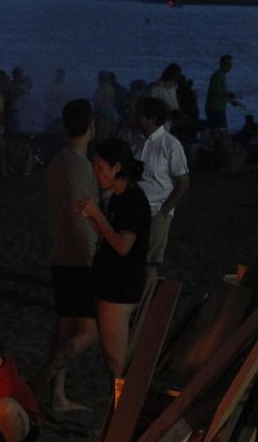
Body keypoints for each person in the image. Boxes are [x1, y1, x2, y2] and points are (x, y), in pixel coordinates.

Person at [34, 98, 98, 415]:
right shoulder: (79, 165)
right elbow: (78, 217)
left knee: (64, 329)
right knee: (88, 331)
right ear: (91, 127)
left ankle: (58, 395)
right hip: (76, 259)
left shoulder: (58, 160)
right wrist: (92, 257)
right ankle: (44, 381)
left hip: (60, 255)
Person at [77, 140, 150, 392]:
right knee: (112, 360)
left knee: (117, 361)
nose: (96, 173)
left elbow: (122, 246)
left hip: (120, 288)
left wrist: (96, 214)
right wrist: (92, 218)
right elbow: (108, 237)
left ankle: (120, 419)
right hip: (108, 282)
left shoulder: (133, 200)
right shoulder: (118, 198)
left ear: (117, 167)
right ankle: (117, 415)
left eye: (100, 167)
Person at [132, 96, 190, 289]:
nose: (134, 118)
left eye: (139, 115)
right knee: (133, 257)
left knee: (150, 261)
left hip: (157, 210)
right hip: (135, 209)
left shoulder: (171, 144)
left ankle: (149, 303)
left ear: (151, 118)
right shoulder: (137, 141)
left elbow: (183, 181)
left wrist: (165, 211)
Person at [204, 54, 243, 146]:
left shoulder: (222, 76)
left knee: (218, 133)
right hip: (214, 108)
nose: (230, 66)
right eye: (228, 64)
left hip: (219, 108)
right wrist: (228, 94)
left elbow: (220, 94)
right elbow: (215, 92)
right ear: (222, 64)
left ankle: (216, 150)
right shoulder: (217, 75)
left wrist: (231, 100)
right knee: (220, 132)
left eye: (231, 64)